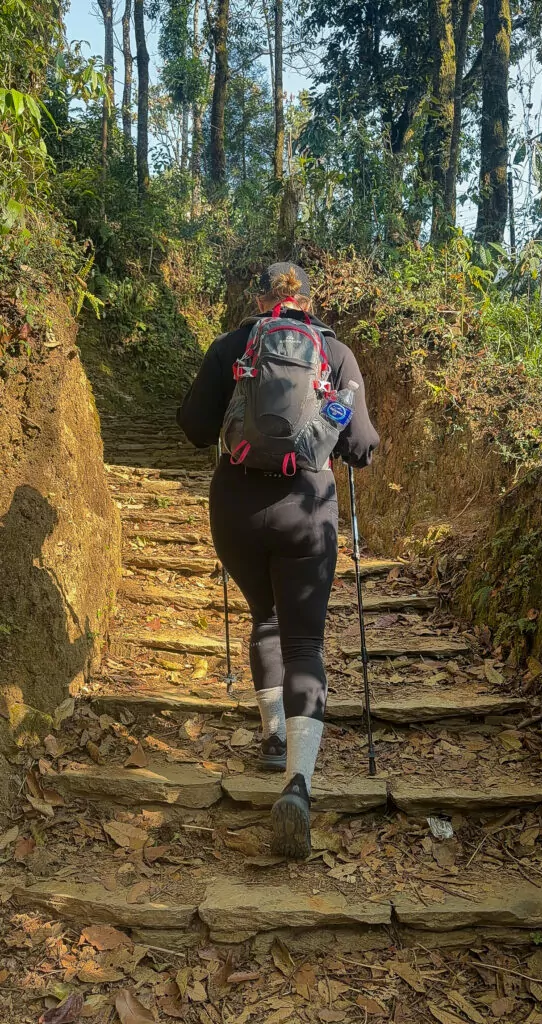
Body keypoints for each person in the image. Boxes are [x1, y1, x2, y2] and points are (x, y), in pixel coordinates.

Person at [178, 262, 379, 859]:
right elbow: (362, 447)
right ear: (309, 303)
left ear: (262, 300)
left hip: (236, 509)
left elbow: (193, 428)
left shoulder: (232, 345)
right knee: (304, 643)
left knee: (264, 616)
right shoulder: (336, 353)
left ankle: (270, 733)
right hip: (306, 510)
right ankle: (297, 782)